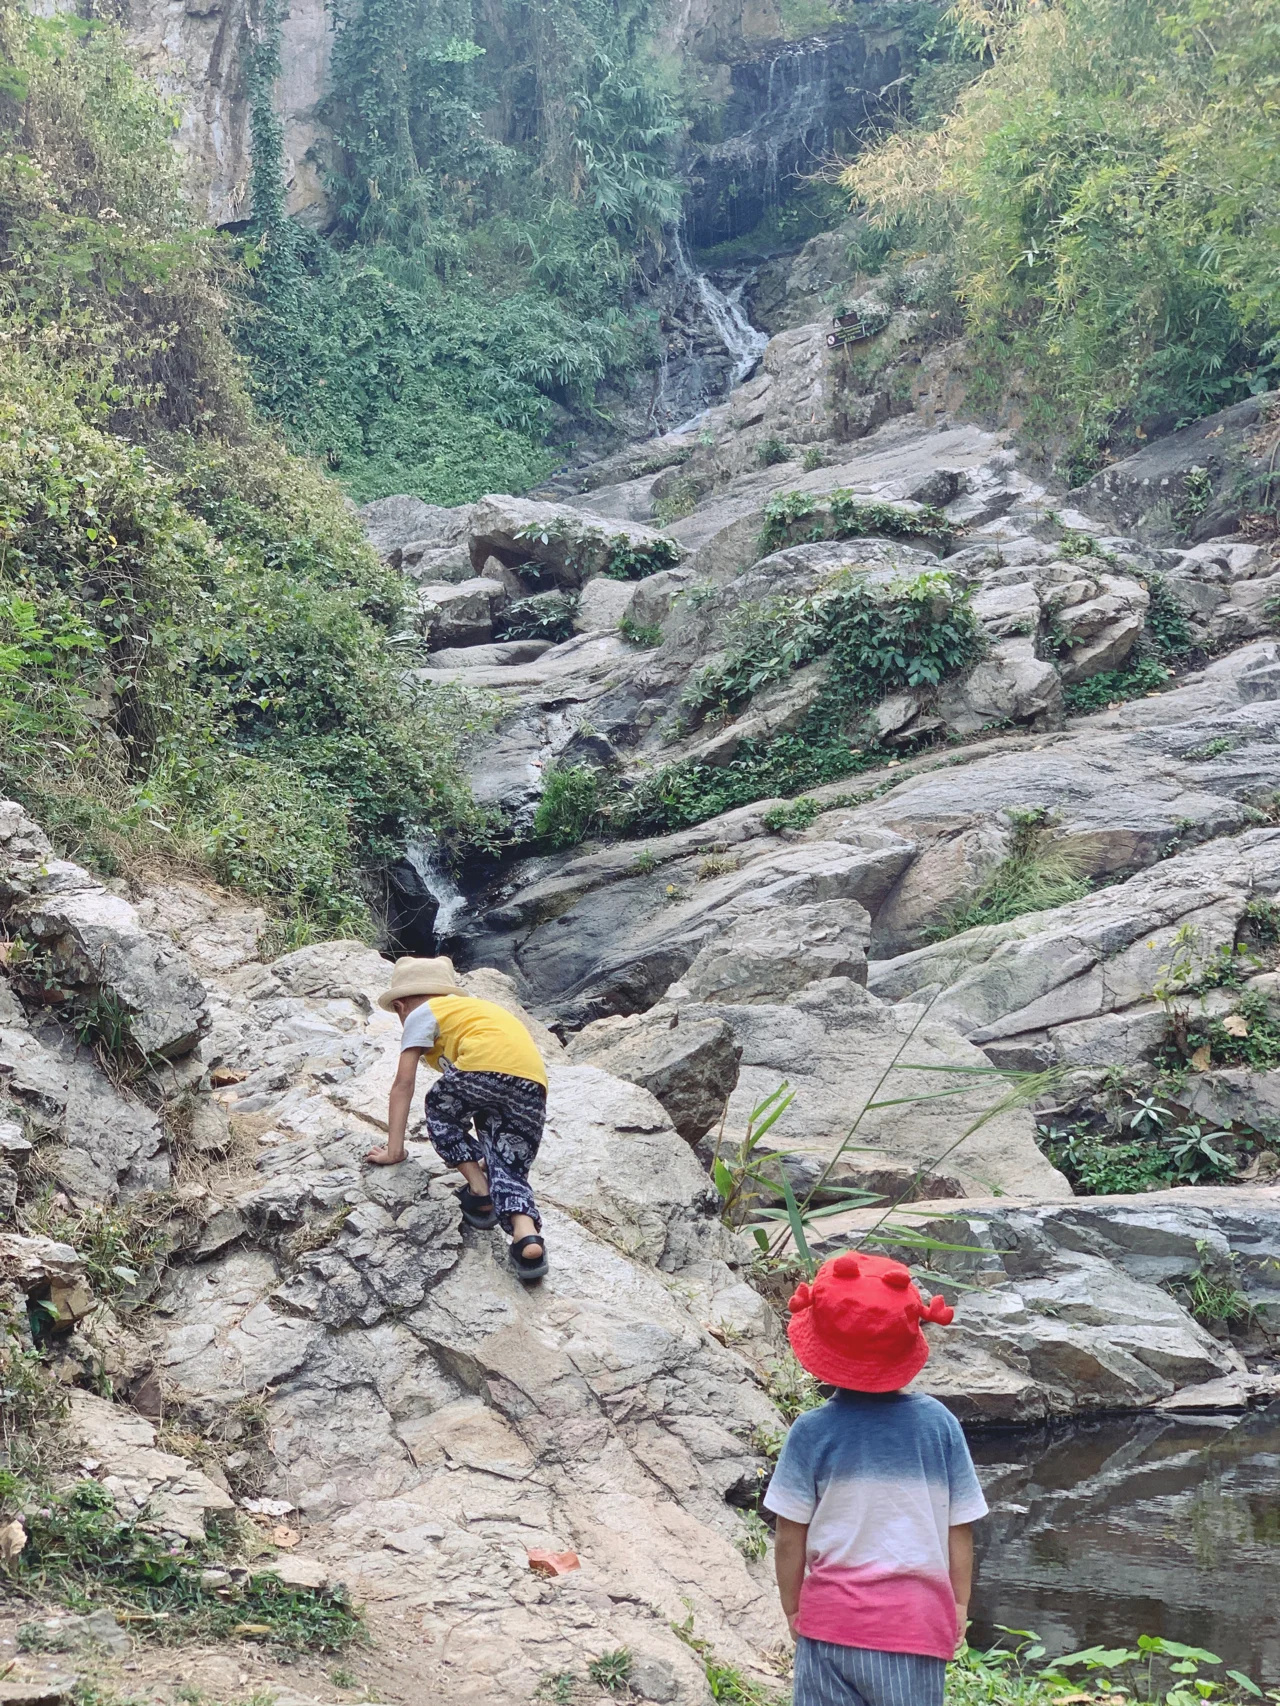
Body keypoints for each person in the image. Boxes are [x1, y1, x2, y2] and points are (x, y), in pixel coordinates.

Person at [764, 1251, 987, 1706]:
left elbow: (790, 1537)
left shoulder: (811, 1433)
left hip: (830, 1624)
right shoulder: (939, 1426)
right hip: (916, 1626)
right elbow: (958, 1528)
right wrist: (959, 1604)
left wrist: (793, 1606)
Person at [364, 955, 550, 1282]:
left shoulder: (421, 1013)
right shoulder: (476, 1010)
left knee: (441, 1110)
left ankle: (480, 1191)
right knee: (507, 1157)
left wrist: (395, 1151)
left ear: (401, 1007)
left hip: (481, 1066)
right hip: (532, 1080)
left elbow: (403, 1084)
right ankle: (526, 1236)